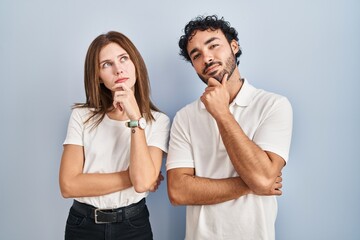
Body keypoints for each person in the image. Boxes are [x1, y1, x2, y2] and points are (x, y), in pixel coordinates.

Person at [166, 15, 293, 240]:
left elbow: (263, 178)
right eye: (196, 55)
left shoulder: (273, 105)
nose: (206, 57)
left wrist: (222, 113)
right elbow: (178, 191)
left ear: (234, 46)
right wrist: (251, 185)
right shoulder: (185, 117)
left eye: (213, 45)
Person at [59, 31, 170, 240]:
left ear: (135, 63)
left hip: (133, 225)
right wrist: (136, 176)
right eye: (106, 64)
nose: (118, 69)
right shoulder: (81, 116)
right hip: (83, 225)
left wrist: (135, 118)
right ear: (98, 77)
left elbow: (143, 182)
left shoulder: (158, 121)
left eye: (123, 58)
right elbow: (68, 185)